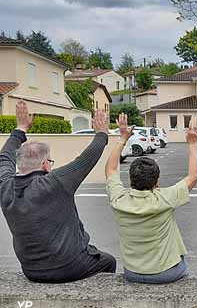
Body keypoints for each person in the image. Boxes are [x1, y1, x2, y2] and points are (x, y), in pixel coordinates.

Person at [0, 101, 116, 283]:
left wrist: (20, 129)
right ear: (46, 164)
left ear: (20, 164)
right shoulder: (54, 183)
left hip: (31, 270)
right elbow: (85, 160)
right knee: (109, 262)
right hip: (69, 266)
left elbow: (4, 157)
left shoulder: (5, 186)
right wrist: (102, 133)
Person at [105, 113, 197, 284]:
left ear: (131, 179)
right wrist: (192, 143)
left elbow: (111, 170)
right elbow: (193, 176)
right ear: (156, 181)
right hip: (165, 273)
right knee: (184, 265)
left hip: (132, 272)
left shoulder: (119, 199)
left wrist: (122, 139)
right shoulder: (165, 198)